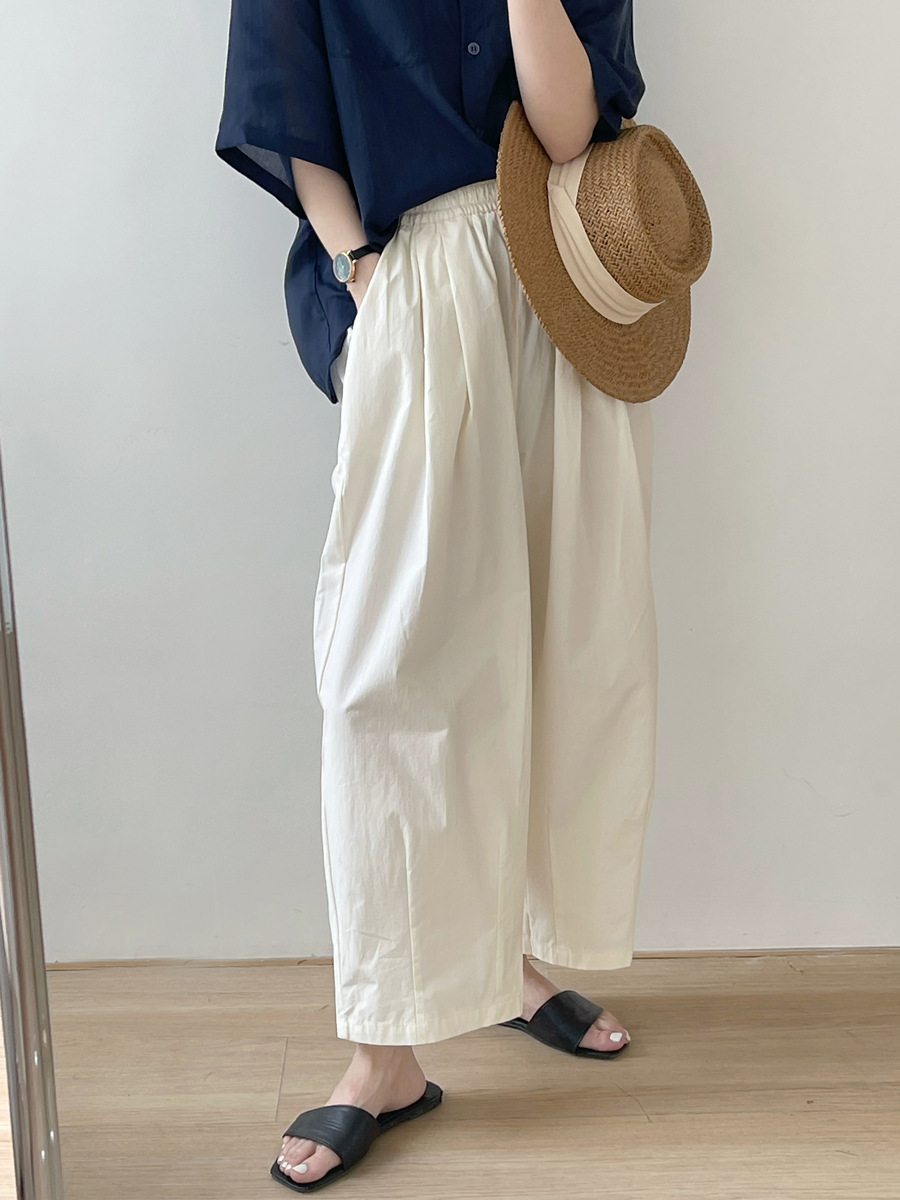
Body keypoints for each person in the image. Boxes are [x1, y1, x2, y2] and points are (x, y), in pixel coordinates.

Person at [216, 0, 655, 1189]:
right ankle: (385, 1054)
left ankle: (505, 964)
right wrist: (363, 274)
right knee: (388, 671)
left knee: (552, 638)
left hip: (560, 279)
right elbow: (287, 105)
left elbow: (569, 133)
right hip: (411, 275)